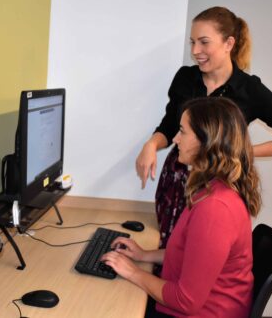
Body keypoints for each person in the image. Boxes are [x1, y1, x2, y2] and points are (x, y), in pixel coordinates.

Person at [135, 6, 272, 250]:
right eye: (192, 42)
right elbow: (169, 125)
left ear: (229, 43)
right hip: (176, 184)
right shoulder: (185, 78)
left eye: (204, 42)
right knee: (169, 252)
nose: (195, 51)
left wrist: (239, 151)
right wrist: (151, 144)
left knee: (200, 257)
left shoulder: (250, 90)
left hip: (216, 189)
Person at [103, 97, 260, 318]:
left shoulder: (215, 209)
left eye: (182, 132)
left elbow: (186, 301)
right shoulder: (211, 189)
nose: (176, 139)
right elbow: (192, 255)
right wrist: (144, 255)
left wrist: (133, 272)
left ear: (207, 141)